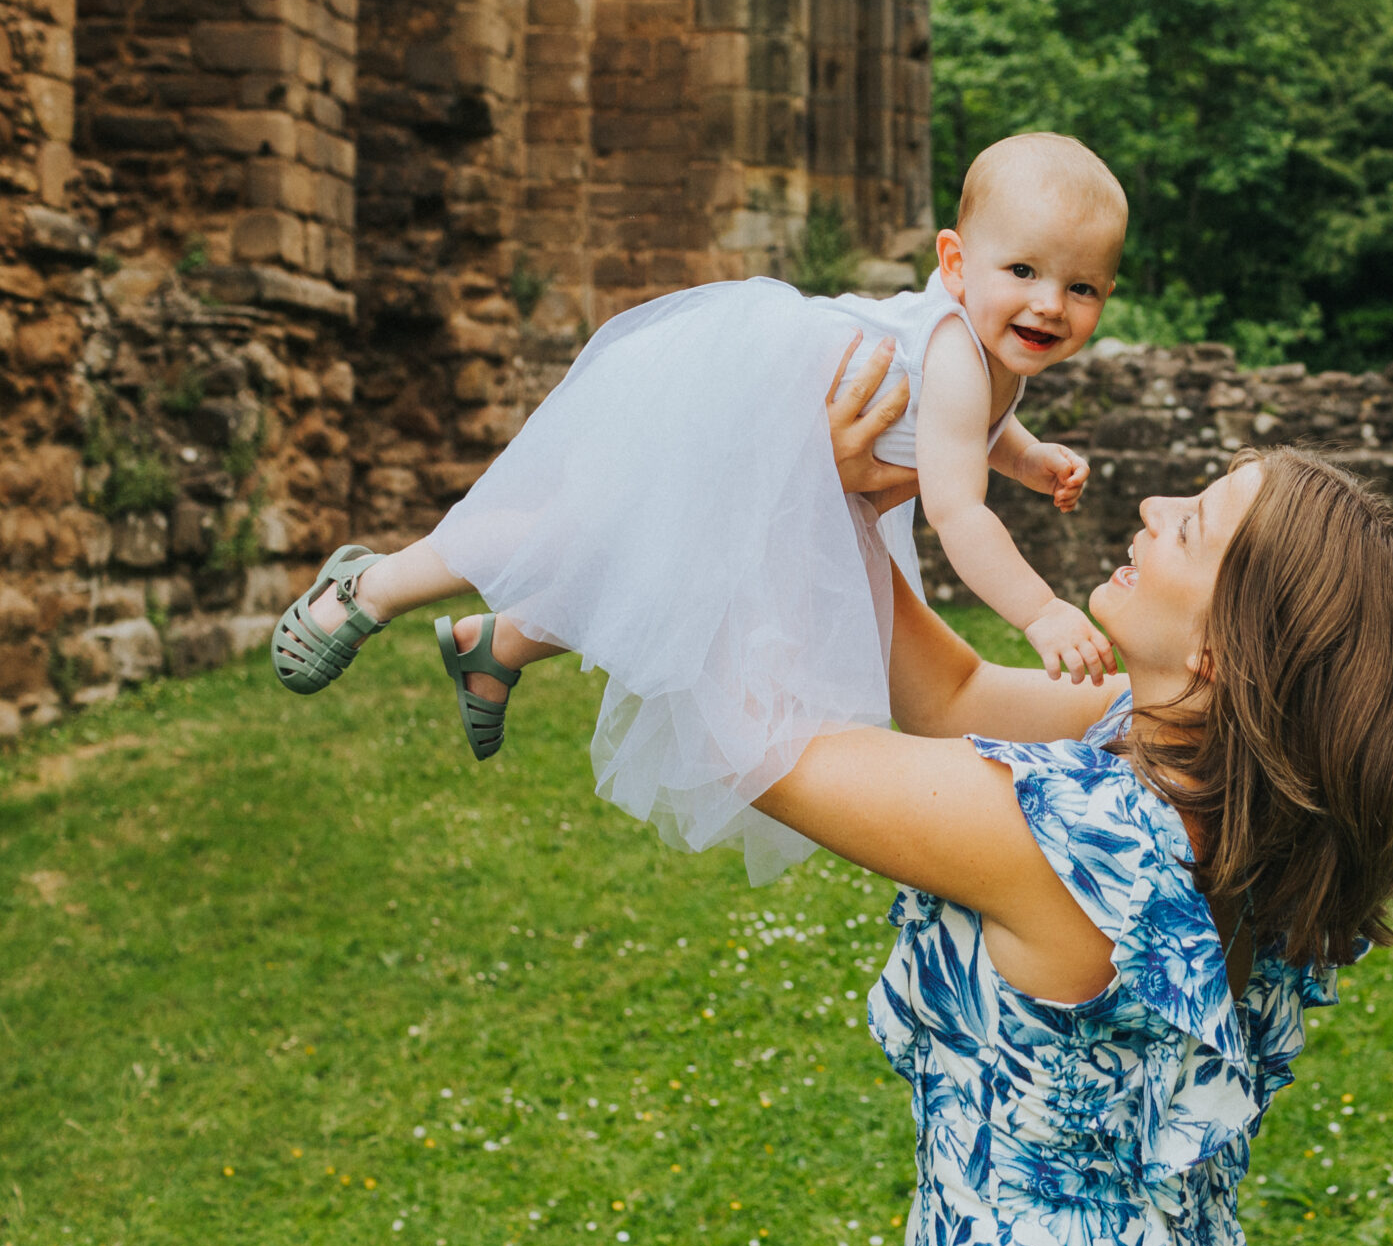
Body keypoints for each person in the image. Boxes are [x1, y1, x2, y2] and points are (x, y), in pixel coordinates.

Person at [751, 353, 1393, 1246]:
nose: (1154, 505)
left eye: (1190, 522)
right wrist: (849, 511)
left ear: (1221, 647)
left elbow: (756, 743)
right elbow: (950, 694)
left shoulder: (1072, 836)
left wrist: (761, 494)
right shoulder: (1225, 777)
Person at [267, 132, 1130, 879]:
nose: (1051, 303)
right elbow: (957, 511)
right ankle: (369, 588)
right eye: (1023, 270)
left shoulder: (993, 357)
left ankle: (493, 645)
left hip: (791, 449)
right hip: (727, 404)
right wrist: (1043, 612)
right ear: (955, 264)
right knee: (580, 529)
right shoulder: (951, 356)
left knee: (671, 570)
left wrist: (1030, 459)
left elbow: (982, 433)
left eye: (1082, 287)